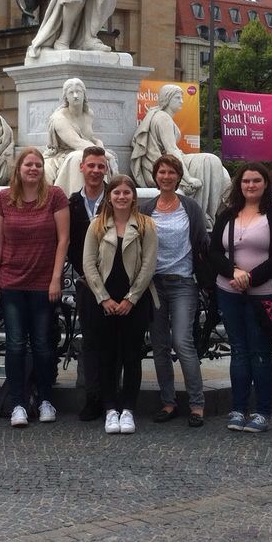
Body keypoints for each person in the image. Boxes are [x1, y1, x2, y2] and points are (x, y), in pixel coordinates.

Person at [209, 163, 272, 434]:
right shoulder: (227, 215)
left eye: (256, 181)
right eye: (246, 181)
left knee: (260, 351)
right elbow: (212, 252)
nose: (251, 185)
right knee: (238, 350)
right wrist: (233, 272)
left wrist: (251, 276)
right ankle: (238, 407)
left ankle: (263, 411)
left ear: (265, 184)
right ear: (239, 184)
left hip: (263, 293)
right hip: (229, 290)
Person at [0, 147, 68, 428]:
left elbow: (63, 240)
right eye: (28, 165)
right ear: (18, 169)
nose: (33, 169)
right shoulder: (4, 199)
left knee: (43, 345)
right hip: (11, 280)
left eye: (37, 165)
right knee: (14, 345)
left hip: (44, 282)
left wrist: (56, 277)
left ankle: (46, 399)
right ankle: (18, 403)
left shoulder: (55, 196)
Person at [83, 174, 157, 435]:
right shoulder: (97, 225)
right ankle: (110, 408)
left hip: (134, 301)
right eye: (117, 193)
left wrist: (131, 298)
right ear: (109, 196)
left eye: (127, 192)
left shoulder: (146, 225)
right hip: (104, 301)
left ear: (133, 196)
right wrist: (103, 297)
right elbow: (88, 264)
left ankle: (128, 409)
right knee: (106, 356)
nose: (122, 197)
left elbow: (149, 264)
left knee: (131, 356)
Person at [139, 154, 209, 428]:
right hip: (154, 284)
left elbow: (202, 242)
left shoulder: (190, 207)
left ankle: (197, 403)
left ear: (178, 177)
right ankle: (168, 401)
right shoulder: (146, 208)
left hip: (182, 282)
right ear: (155, 176)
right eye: (161, 172)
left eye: (171, 172)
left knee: (182, 342)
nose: (166, 177)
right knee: (159, 346)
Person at [129, 83, 228, 226]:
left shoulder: (161, 116)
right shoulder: (163, 117)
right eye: (178, 98)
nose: (181, 101)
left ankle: (224, 213)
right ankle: (201, 215)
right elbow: (171, 150)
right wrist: (188, 178)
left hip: (170, 159)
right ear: (167, 99)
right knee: (210, 160)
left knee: (222, 172)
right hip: (162, 163)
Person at [67, 146, 110, 421]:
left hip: (115, 283)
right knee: (92, 340)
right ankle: (92, 397)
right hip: (85, 282)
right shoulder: (71, 202)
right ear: (82, 167)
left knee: (115, 342)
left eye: (100, 166)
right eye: (91, 165)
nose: (95, 171)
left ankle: (113, 396)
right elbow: (68, 241)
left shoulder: (118, 197)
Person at [44, 77, 117, 195]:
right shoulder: (59, 118)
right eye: (71, 92)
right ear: (66, 97)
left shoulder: (89, 114)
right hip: (62, 155)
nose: (75, 95)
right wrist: (106, 155)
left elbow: (89, 138)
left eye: (79, 92)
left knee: (96, 158)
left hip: (85, 150)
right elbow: (77, 142)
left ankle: (102, 199)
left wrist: (99, 145)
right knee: (79, 157)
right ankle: (73, 199)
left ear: (84, 94)